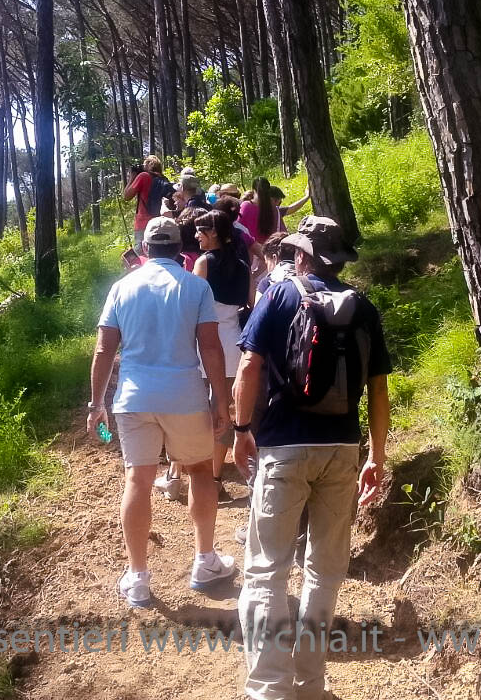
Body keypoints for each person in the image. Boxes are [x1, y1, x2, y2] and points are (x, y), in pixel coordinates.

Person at [232, 216, 391, 700]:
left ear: (300, 254)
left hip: (284, 445)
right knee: (324, 572)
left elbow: (249, 364)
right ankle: (310, 684)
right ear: (340, 260)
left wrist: (241, 430)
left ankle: (269, 690)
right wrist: (376, 456)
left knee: (266, 571)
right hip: (342, 449)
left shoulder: (279, 295)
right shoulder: (363, 307)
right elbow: (379, 389)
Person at [86, 216, 237, 607]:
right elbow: (211, 349)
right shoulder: (195, 287)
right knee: (202, 470)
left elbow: (104, 350)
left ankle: (137, 577)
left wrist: (96, 404)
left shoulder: (122, 287)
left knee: (137, 480)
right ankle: (205, 561)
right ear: (179, 249)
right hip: (184, 395)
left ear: (146, 247)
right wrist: (221, 400)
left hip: (134, 398)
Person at [192, 209, 251, 496]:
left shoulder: (203, 263)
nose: (196, 236)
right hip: (233, 340)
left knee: (197, 406)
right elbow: (249, 302)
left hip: (205, 340)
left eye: (200, 231)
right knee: (223, 409)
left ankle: (189, 471)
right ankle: (215, 477)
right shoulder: (242, 265)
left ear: (213, 232)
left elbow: (191, 303)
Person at [123, 156, 172, 238]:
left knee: (142, 249)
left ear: (148, 165)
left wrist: (132, 177)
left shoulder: (143, 176)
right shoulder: (164, 179)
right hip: (161, 221)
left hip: (144, 223)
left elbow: (127, 196)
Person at [254, 231, 296, 304]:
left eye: (267, 262)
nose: (267, 268)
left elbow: (257, 312)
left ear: (275, 258)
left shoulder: (267, 283)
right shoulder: (306, 277)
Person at [238, 177, 281, 242]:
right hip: (267, 247)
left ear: (253, 190)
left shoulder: (246, 206)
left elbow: (238, 227)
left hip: (250, 248)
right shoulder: (273, 208)